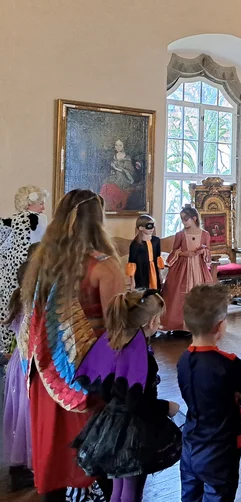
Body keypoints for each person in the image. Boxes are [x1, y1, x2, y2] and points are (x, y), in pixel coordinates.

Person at [19, 189, 126, 500]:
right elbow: (117, 330)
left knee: (53, 450)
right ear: (97, 221)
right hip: (87, 377)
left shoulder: (43, 262)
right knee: (94, 448)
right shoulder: (104, 266)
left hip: (45, 371)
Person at [71, 290, 182, 502]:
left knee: (118, 486)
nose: (159, 323)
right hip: (135, 431)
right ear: (150, 323)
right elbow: (138, 402)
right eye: (158, 319)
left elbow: (104, 391)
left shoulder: (113, 344)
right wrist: (166, 406)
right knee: (132, 489)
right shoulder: (141, 359)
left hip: (110, 424)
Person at [179, 284, 241, 501]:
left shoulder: (182, 361)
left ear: (186, 324)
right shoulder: (230, 364)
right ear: (219, 326)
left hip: (189, 444)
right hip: (221, 450)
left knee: (190, 496)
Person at [0, 185, 48, 354]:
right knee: (24, 310)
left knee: (9, 310)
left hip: (8, 273)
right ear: (29, 204)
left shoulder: (9, 221)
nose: (43, 207)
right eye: (40, 203)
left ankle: (6, 350)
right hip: (25, 272)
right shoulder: (37, 219)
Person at [3, 262, 33, 492]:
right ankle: (24, 464)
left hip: (17, 364)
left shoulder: (18, 298)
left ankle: (19, 464)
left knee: (19, 413)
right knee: (26, 413)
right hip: (26, 364)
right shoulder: (31, 304)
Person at [161, 205, 212, 333]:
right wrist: (184, 253)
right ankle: (180, 324)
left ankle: (199, 324)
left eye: (185, 218)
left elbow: (208, 253)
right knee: (179, 293)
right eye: (182, 219)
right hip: (182, 269)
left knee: (200, 294)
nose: (183, 221)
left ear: (194, 218)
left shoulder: (205, 234)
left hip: (199, 268)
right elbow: (174, 252)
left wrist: (203, 251)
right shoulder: (180, 235)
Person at [127, 214, 164, 291]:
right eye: (149, 226)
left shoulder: (156, 241)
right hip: (141, 273)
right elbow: (132, 263)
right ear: (140, 228)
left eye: (153, 226)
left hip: (154, 272)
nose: (152, 228)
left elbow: (158, 258)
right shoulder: (135, 244)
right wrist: (132, 282)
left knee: (155, 292)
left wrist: (160, 275)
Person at [99, 139, 137, 211]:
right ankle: (106, 208)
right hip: (115, 177)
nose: (118, 147)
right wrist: (113, 170)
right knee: (105, 186)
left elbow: (131, 172)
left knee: (113, 188)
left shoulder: (127, 158)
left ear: (123, 146)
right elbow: (112, 170)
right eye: (116, 145)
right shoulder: (114, 156)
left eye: (120, 145)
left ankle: (115, 207)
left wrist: (118, 169)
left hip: (124, 178)